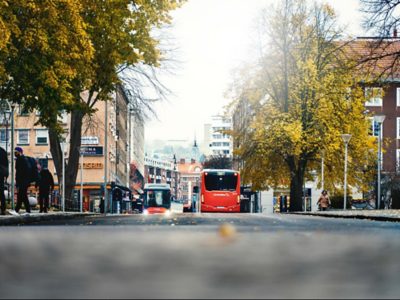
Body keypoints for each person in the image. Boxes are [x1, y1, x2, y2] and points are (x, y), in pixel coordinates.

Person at [14, 147, 31, 214]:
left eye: (16, 152)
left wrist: (18, 181)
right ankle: (17, 210)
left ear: (20, 152)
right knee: (21, 196)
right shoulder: (21, 159)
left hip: (23, 181)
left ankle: (25, 210)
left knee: (22, 195)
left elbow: (20, 172)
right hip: (23, 181)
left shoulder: (21, 159)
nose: (15, 153)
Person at [0, 146, 9, 215]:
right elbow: (6, 163)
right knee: (1, 192)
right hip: (1, 173)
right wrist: (6, 175)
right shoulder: (3, 151)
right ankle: (3, 209)